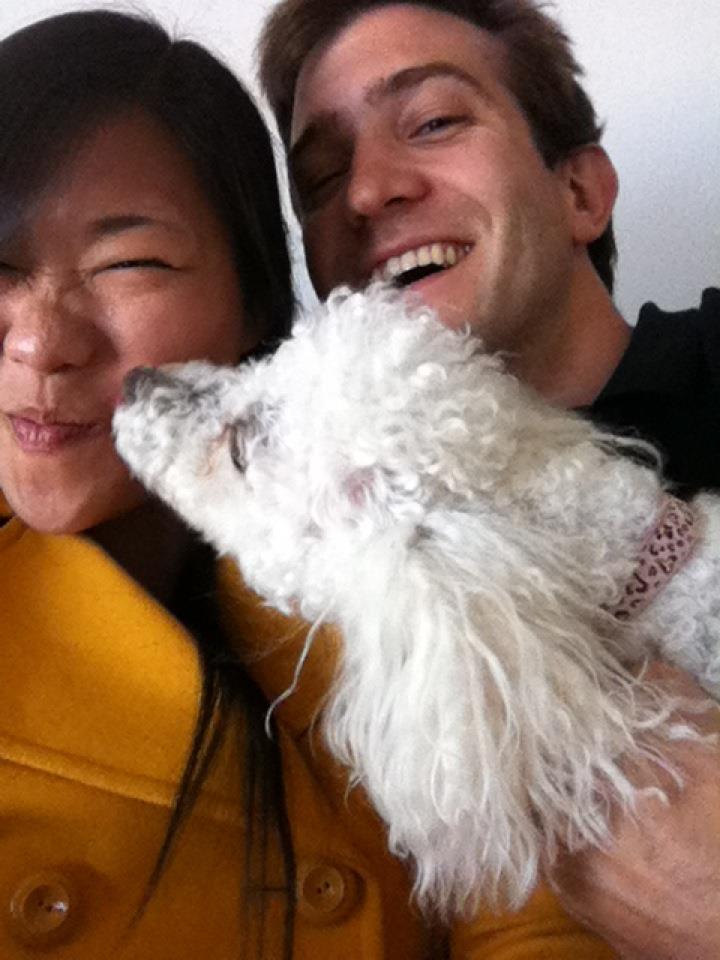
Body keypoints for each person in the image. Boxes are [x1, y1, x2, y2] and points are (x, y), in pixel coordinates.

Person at [0, 8, 617, 960]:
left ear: (256, 303)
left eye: (127, 263)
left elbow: (530, 913)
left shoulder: (406, 556)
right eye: (1, 271)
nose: (41, 343)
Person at [256, 0, 720, 956]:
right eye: (321, 177)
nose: (366, 192)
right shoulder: (314, 572)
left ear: (581, 192)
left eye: (432, 121)